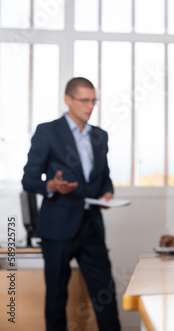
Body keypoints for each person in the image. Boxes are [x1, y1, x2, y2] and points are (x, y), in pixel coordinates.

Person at [22, 77, 120, 330]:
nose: (90, 106)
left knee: (104, 293)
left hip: (91, 226)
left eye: (93, 101)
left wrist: (107, 193)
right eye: (84, 100)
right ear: (68, 100)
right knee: (56, 295)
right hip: (57, 227)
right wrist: (51, 186)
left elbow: (104, 177)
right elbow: (29, 179)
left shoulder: (100, 135)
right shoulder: (47, 132)